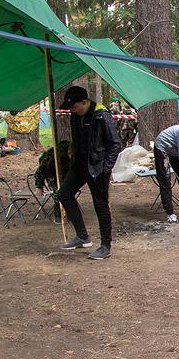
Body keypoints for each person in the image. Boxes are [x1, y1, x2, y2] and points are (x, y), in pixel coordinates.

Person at [57, 86, 121, 260]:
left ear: (84, 102)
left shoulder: (102, 115)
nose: (72, 110)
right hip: (79, 164)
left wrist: (106, 167)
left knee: (100, 205)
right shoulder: (75, 116)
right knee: (64, 193)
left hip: (98, 167)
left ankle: (105, 246)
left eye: (74, 107)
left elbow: (115, 143)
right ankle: (82, 236)